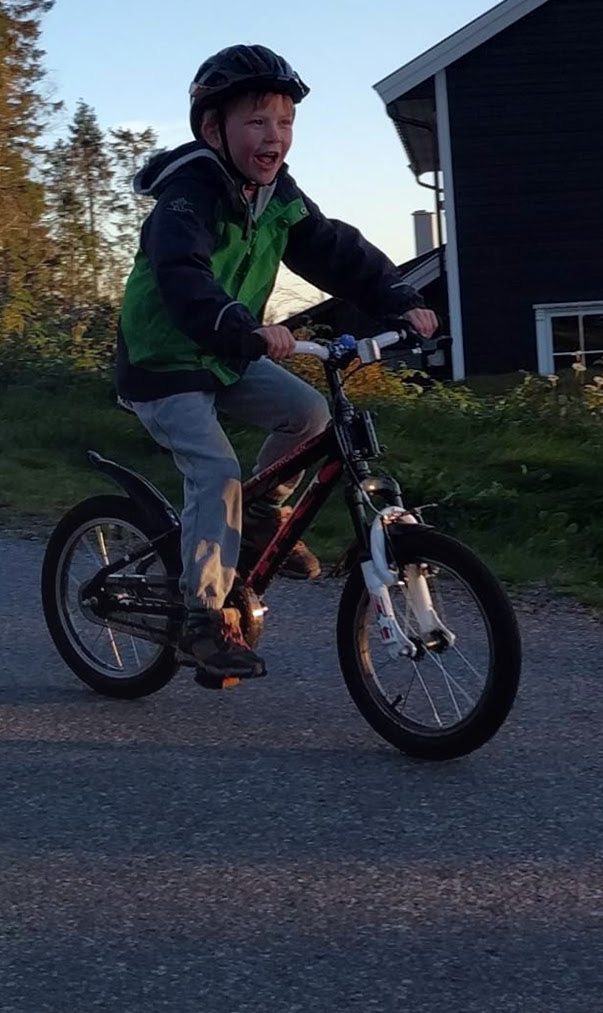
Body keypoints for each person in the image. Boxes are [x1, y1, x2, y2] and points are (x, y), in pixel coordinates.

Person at [117, 46, 436, 682]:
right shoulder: (188, 194)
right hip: (165, 359)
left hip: (226, 352)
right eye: (258, 122)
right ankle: (203, 618)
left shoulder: (274, 194)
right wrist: (239, 324)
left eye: (285, 123)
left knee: (310, 413)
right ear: (213, 130)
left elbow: (332, 249)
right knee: (216, 470)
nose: (275, 137)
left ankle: (260, 521)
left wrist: (397, 297)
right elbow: (184, 275)